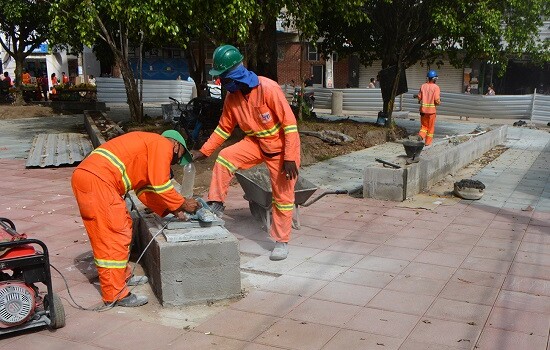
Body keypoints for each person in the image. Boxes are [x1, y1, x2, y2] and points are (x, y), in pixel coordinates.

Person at [191, 44, 301, 261]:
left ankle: (281, 241)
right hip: (256, 143)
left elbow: (289, 125)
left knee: (283, 198)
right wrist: (204, 151)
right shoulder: (232, 99)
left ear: (235, 75)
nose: (221, 82)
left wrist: (290, 157)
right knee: (225, 158)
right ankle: (216, 203)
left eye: (223, 78)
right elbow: (224, 129)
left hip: (281, 151)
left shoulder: (268, 88)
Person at [71, 130, 200, 307]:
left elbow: (145, 191)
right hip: (99, 181)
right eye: (178, 157)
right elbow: (161, 185)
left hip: (94, 178)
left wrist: (171, 209)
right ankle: (115, 294)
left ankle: (121, 277)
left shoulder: (149, 149)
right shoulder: (163, 144)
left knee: (119, 229)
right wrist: (183, 203)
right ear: (176, 145)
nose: (176, 162)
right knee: (114, 235)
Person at [416, 69, 441, 148]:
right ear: (434, 79)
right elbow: (436, 99)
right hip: (431, 112)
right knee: (430, 128)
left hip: (423, 111)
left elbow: (419, 97)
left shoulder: (423, 86)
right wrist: (439, 103)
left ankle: (421, 135)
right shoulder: (436, 87)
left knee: (424, 126)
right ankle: (427, 143)